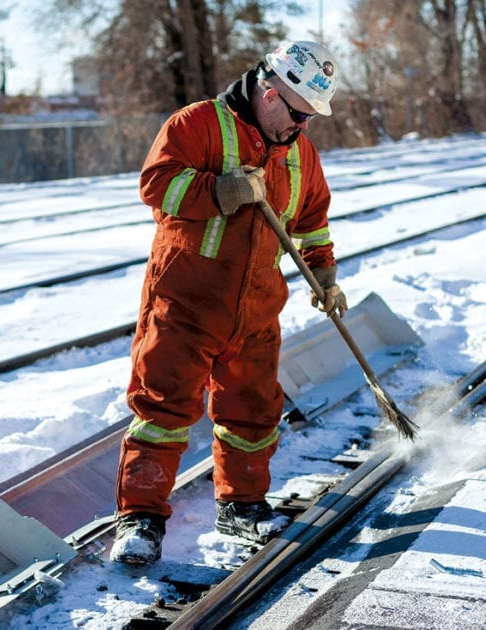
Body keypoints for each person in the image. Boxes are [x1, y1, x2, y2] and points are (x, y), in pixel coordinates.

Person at [111, 40, 349, 565]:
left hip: (257, 308)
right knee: (163, 407)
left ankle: (242, 508)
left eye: (310, 118)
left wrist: (325, 274)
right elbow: (156, 185)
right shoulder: (197, 124)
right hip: (185, 302)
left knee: (253, 411)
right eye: (297, 114)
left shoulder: (299, 152)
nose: (301, 127)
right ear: (269, 94)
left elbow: (311, 219)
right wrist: (219, 192)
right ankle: (140, 520)